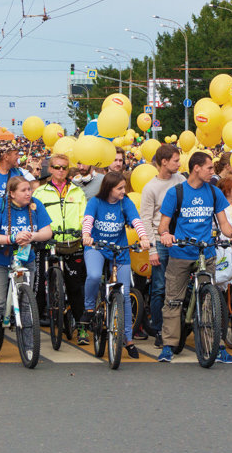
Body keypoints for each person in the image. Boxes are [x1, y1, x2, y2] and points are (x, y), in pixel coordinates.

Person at [157, 152, 232, 363]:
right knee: (173, 300)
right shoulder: (175, 193)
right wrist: (166, 235)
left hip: (206, 253)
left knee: (210, 302)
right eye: (209, 168)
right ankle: (169, 345)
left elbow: (223, 223)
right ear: (196, 168)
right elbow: (163, 225)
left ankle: (216, 346)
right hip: (181, 253)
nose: (212, 172)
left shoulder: (213, 192)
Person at [0, 176, 54, 364]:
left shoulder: (36, 205)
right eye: (23, 190)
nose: (28, 193)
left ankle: (29, 347)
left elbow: (47, 231)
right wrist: (12, 238)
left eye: (29, 189)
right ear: (11, 193)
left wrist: (32, 236)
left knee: (27, 304)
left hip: (24, 259)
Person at [82, 171, 149, 359]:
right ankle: (89, 309)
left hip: (119, 249)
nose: (123, 191)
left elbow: (136, 220)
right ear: (108, 188)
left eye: (124, 187)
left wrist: (143, 237)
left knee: (125, 294)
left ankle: (128, 339)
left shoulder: (124, 202)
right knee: (94, 276)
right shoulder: (95, 202)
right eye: (119, 188)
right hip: (96, 246)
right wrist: (86, 235)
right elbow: (88, 220)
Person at [32, 152, 88, 343]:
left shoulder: (77, 191)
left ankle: (81, 328)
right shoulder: (39, 193)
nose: (61, 171)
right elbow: (34, 217)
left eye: (64, 167)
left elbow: (83, 216)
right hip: (47, 243)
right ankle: (33, 327)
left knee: (75, 288)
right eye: (57, 167)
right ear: (50, 169)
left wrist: (81, 231)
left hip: (72, 243)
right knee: (38, 287)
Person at [140, 145, 184, 346]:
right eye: (175, 160)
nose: (179, 163)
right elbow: (146, 220)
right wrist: (153, 250)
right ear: (164, 162)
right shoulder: (150, 188)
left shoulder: (181, 180)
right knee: (159, 287)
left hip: (180, 240)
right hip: (160, 242)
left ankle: (177, 327)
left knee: (180, 286)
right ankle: (159, 329)